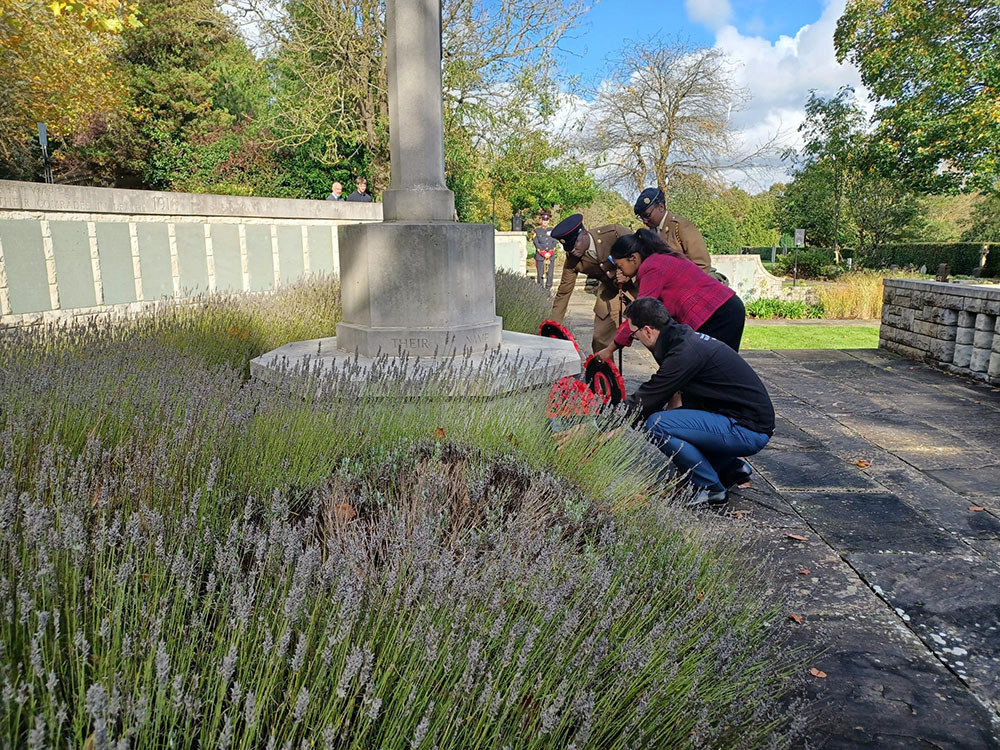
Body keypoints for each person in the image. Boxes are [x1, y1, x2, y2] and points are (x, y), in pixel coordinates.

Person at [622, 297, 774, 507]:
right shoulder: (682, 339)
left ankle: (711, 489)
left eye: (634, 334)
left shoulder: (684, 352)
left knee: (657, 424)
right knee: (672, 420)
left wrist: (604, 421)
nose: (635, 339)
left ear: (647, 330)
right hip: (743, 420)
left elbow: (647, 398)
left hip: (748, 429)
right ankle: (730, 468)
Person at [596, 229, 745, 362]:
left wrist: (610, 349)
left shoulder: (651, 268)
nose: (619, 271)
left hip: (719, 315)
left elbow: (639, 315)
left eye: (619, 265)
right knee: (714, 368)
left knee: (716, 370)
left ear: (633, 258)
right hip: (726, 308)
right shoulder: (660, 258)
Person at [549, 214, 632, 353]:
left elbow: (645, 254)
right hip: (611, 293)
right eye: (568, 248)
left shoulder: (615, 234)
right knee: (599, 340)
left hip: (641, 286)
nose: (573, 251)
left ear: (585, 234)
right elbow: (563, 292)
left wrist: (629, 273)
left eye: (575, 245)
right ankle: (605, 374)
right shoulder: (572, 260)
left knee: (654, 336)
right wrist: (553, 328)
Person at [634, 187, 721, 278]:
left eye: (647, 216)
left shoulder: (681, 227)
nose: (645, 221)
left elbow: (702, 264)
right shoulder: (651, 232)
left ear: (660, 207)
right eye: (641, 218)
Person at [532, 211, 558, 290]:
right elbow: (536, 243)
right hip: (540, 256)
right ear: (541, 220)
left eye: (547, 220)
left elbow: (554, 242)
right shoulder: (537, 231)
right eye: (543, 220)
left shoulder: (553, 230)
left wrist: (550, 252)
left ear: (549, 220)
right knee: (540, 274)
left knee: (550, 274)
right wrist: (543, 253)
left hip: (550, 256)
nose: (545, 221)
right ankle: (540, 290)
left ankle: (548, 290)